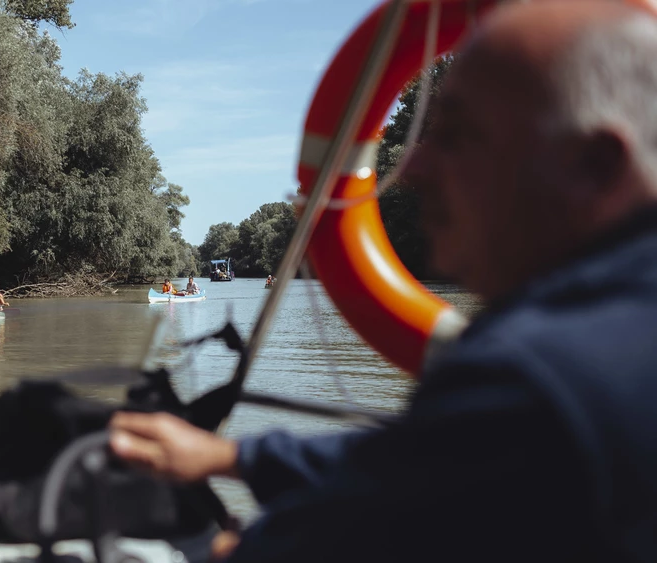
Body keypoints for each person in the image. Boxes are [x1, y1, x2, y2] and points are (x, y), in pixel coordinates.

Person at [109, 2, 657, 561]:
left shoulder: (535, 382)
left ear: (594, 166)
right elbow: (430, 459)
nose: (412, 169)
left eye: (458, 136)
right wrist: (235, 459)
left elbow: (313, 541)